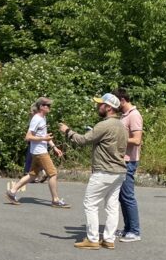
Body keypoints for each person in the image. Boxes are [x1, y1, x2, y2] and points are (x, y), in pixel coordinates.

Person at [59, 93, 127, 250]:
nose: (98, 106)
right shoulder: (122, 126)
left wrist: (67, 131)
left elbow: (82, 140)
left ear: (108, 107)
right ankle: (109, 239)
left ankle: (92, 239)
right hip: (119, 171)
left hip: (104, 171)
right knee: (112, 206)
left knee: (90, 203)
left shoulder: (104, 125)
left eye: (100, 104)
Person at [6, 97, 68, 207]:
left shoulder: (43, 118)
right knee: (53, 174)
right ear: (41, 107)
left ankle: (12, 192)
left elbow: (45, 135)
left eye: (50, 105)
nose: (49, 107)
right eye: (47, 105)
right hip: (40, 152)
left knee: (32, 175)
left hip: (39, 151)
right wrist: (43, 139)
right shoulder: (36, 119)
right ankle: (55, 200)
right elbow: (28, 137)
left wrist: (54, 147)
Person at [115, 88, 143, 242]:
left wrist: (115, 139)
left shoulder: (134, 115)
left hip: (129, 161)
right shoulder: (125, 115)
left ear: (122, 100)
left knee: (128, 196)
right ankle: (127, 229)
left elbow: (137, 140)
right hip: (121, 160)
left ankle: (134, 231)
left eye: (115, 102)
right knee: (122, 197)